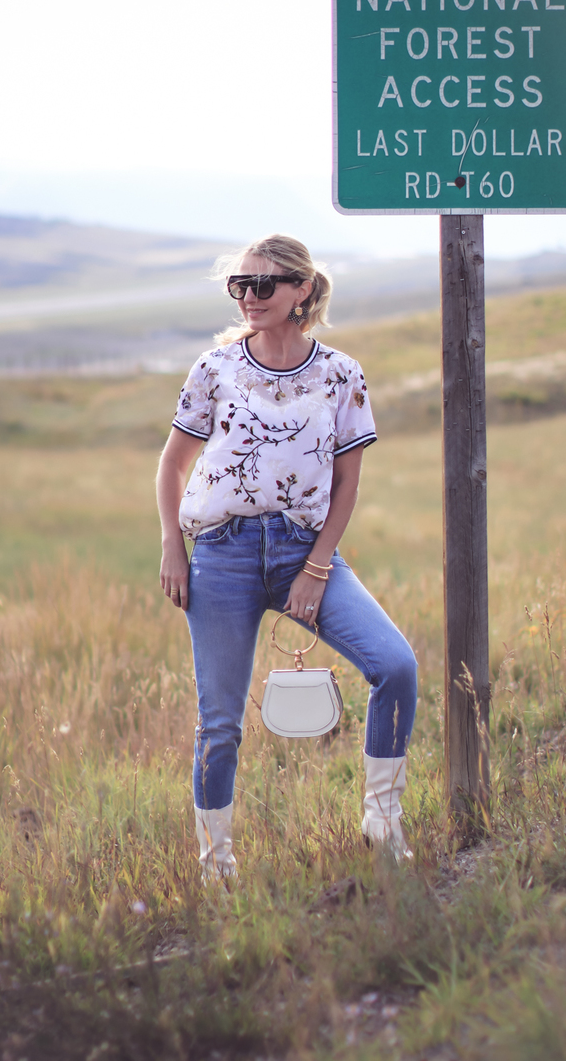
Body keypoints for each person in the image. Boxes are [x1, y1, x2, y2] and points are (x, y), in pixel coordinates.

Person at [156, 234, 417, 880]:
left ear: (303, 290)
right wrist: (171, 545)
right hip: (221, 553)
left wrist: (317, 567)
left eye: (264, 285)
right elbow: (173, 463)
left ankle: (381, 823)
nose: (249, 297)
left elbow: (347, 481)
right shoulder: (214, 369)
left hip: (306, 547)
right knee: (219, 723)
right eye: (239, 285)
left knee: (396, 666)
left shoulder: (341, 373)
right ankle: (217, 868)